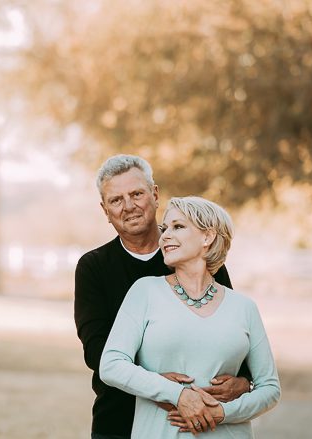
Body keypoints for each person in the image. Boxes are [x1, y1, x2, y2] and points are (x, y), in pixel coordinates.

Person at [75, 155, 251, 439]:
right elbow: (97, 350)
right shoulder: (94, 267)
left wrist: (245, 381)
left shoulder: (198, 256)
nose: (129, 206)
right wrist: (161, 387)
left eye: (136, 194)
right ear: (104, 209)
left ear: (155, 195)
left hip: (202, 419)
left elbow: (232, 329)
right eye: (116, 200)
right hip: (120, 417)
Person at [99, 195, 281, 438]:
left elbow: (269, 388)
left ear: (207, 237)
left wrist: (222, 413)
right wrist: (177, 394)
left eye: (178, 226)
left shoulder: (244, 307)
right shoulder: (145, 292)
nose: (164, 236)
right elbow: (111, 365)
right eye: (165, 228)